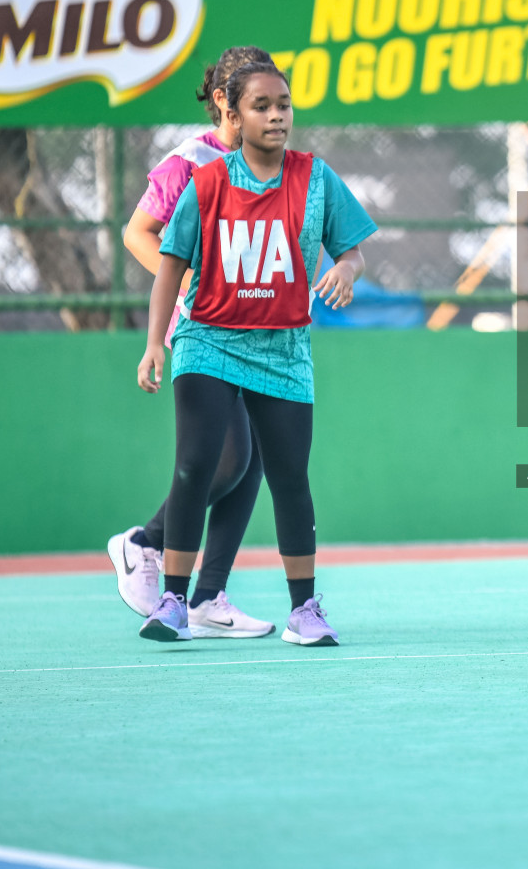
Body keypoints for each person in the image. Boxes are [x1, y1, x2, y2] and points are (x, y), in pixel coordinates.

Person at [135, 61, 377, 646]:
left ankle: (304, 611)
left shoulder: (316, 178)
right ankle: (173, 601)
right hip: (209, 339)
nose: (276, 115)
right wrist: (153, 347)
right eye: (262, 106)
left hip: (282, 348)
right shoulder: (208, 182)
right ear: (233, 115)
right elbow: (169, 264)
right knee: (195, 466)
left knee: (290, 478)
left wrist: (344, 269)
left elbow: (354, 251)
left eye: (284, 105)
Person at [107, 45, 276, 638]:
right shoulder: (189, 161)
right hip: (203, 325)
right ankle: (143, 543)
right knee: (224, 457)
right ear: (225, 103)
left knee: (251, 457)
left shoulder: (268, 164)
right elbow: (137, 233)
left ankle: (209, 598)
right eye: (255, 101)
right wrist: (186, 284)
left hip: (257, 327)